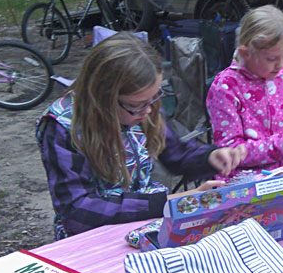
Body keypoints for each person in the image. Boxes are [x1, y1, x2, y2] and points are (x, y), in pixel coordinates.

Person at [37, 32, 247, 240]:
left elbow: (175, 154)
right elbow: (78, 210)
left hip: (144, 225)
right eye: (137, 105)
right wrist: (166, 203)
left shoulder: (142, 107)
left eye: (154, 98)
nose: (148, 111)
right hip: (90, 238)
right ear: (103, 98)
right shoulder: (63, 126)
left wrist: (209, 157)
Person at [206, 5, 283, 173]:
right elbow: (231, 152)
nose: (281, 65)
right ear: (245, 54)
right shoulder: (226, 87)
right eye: (272, 59)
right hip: (245, 183)